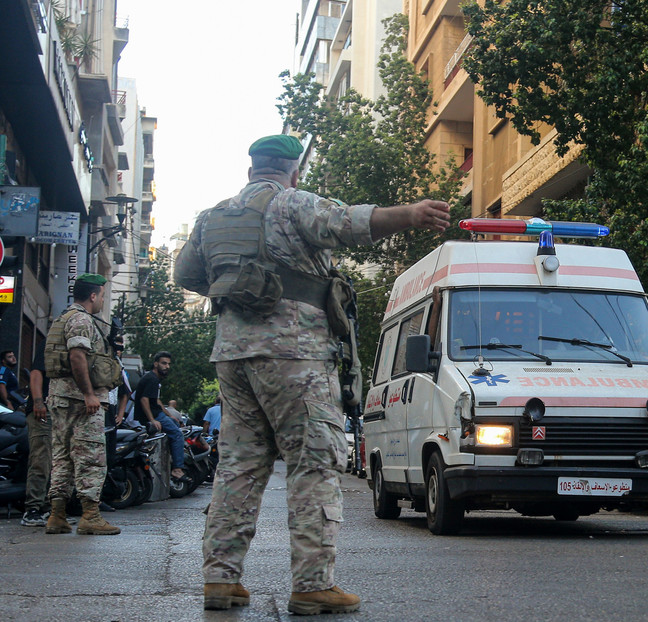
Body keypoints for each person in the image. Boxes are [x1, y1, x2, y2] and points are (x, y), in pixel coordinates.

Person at [174, 134, 450, 614]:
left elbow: (186, 276)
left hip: (233, 357)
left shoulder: (212, 217)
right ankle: (312, 584)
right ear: (292, 171)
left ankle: (221, 579)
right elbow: (352, 224)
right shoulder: (292, 204)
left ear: (251, 170)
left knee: (238, 466)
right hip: (294, 355)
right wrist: (411, 213)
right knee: (314, 463)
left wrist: (238, 285)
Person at [42, 273, 121, 536]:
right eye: (102, 295)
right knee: (91, 457)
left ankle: (57, 514)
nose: (101, 301)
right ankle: (90, 515)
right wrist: (89, 394)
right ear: (93, 295)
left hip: (61, 398)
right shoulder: (81, 319)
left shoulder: (65, 317)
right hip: (80, 400)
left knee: (63, 457)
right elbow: (77, 356)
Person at [133, 352, 185, 481]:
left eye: (168, 364)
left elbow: (156, 401)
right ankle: (177, 469)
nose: (167, 366)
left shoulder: (154, 379)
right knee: (178, 435)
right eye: (163, 363)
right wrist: (152, 420)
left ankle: (173, 457)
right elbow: (144, 399)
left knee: (176, 424)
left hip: (159, 414)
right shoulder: (152, 379)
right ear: (156, 364)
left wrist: (170, 416)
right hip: (154, 416)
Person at [21, 343, 52, 527]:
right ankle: (32, 510)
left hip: (59, 412)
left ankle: (47, 508)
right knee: (41, 458)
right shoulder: (50, 344)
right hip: (42, 411)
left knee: (56, 462)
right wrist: (38, 402)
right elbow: (36, 373)